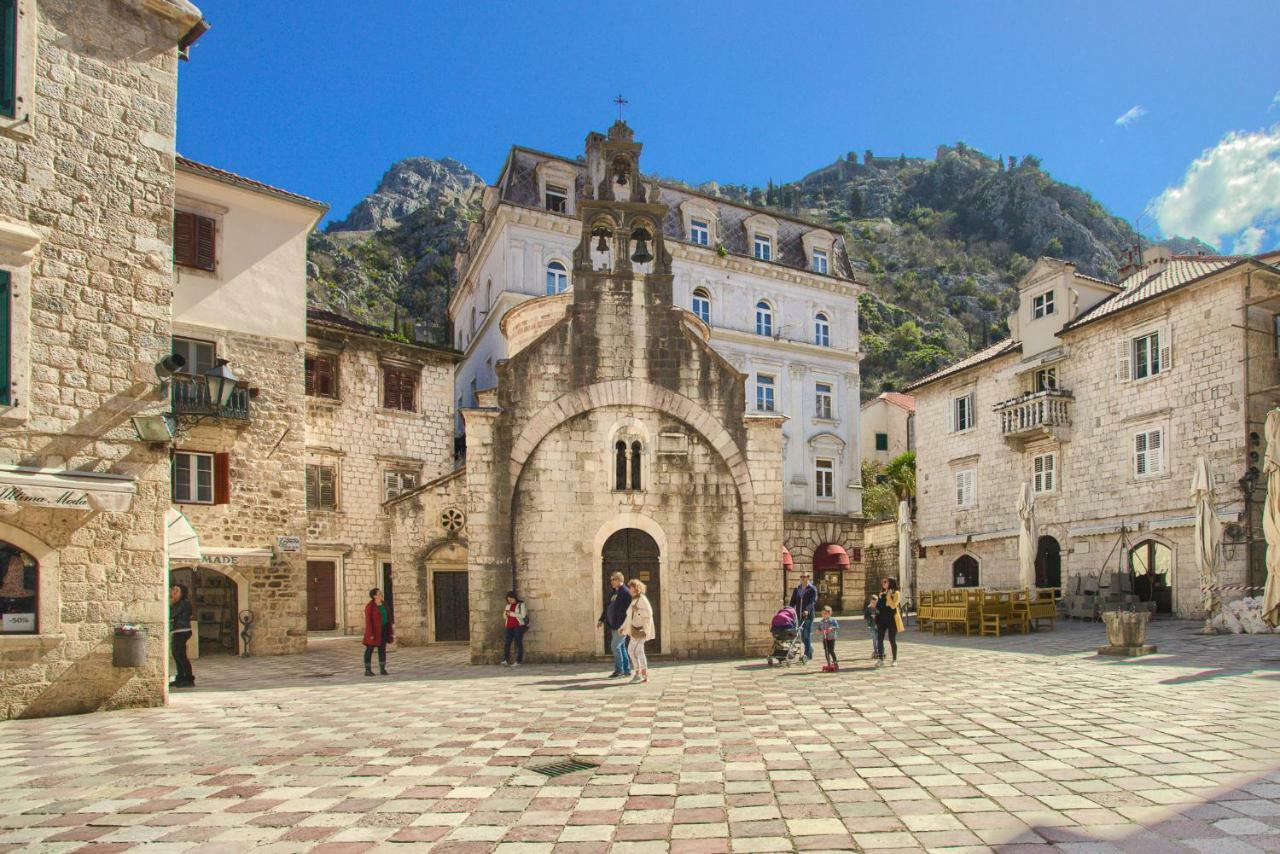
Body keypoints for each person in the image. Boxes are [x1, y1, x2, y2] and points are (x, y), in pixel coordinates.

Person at [597, 571, 632, 678]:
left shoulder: (626, 592)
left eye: (613, 579)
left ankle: (619, 670)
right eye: (611, 580)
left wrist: (625, 625)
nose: (611, 581)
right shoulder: (614, 592)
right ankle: (626, 670)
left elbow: (629, 611)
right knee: (621, 647)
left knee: (614, 646)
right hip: (614, 625)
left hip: (621, 626)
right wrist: (601, 619)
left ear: (620, 580)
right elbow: (608, 607)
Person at [621, 578, 655, 684]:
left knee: (636, 651)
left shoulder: (642, 599)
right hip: (634, 629)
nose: (629, 589)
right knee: (633, 651)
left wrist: (638, 611)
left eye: (631, 587)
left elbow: (649, 614)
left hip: (640, 630)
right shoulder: (635, 599)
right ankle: (640, 674)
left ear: (636, 588)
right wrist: (623, 627)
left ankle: (639, 674)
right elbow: (629, 616)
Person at [363, 588, 393, 676]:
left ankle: (382, 669)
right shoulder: (370, 606)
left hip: (383, 629)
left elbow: (388, 617)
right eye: (379, 593)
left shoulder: (384, 604)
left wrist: (390, 630)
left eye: (381, 593)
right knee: (369, 650)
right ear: (374, 596)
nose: (381, 594)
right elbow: (368, 621)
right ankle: (367, 670)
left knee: (382, 649)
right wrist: (370, 634)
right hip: (373, 631)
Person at [169, 583, 194, 688]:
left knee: (181, 656)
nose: (174, 592)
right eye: (173, 590)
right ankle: (180, 677)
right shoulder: (177, 603)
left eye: (177, 590)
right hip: (177, 631)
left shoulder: (184, 603)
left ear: (182, 593)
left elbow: (172, 614)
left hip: (182, 631)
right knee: (176, 655)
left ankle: (188, 679)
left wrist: (171, 602)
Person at [789, 571, 818, 661]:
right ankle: (810, 650)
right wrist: (789, 610)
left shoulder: (812, 589)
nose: (802, 578)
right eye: (801, 577)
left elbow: (813, 601)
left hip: (808, 616)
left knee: (806, 635)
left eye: (804, 577)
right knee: (802, 636)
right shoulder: (797, 589)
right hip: (799, 616)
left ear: (808, 577)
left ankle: (807, 655)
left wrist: (807, 610)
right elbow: (792, 602)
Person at [875, 577, 904, 667]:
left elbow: (893, 606)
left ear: (890, 583)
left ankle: (894, 659)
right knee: (879, 639)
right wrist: (880, 598)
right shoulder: (881, 593)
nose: (883, 584)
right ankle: (880, 659)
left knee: (892, 639)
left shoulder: (896, 593)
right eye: (882, 582)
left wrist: (888, 596)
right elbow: (878, 607)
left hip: (892, 619)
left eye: (885, 582)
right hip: (882, 619)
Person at [502, 591, 528, 667]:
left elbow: (523, 615)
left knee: (518, 643)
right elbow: (505, 617)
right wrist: (505, 614)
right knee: (507, 643)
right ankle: (505, 660)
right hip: (509, 626)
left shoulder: (521, 604)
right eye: (508, 600)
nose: (510, 601)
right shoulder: (507, 605)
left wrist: (511, 613)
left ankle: (518, 661)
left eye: (511, 599)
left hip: (518, 626)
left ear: (515, 598)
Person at [817, 606, 840, 672]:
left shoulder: (832, 620)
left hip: (832, 637)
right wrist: (818, 630)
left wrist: (832, 628)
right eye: (822, 614)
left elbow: (837, 626)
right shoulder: (821, 621)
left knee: (831, 650)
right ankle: (828, 662)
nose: (823, 615)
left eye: (825, 614)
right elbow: (819, 628)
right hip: (825, 638)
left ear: (829, 614)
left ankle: (835, 662)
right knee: (826, 650)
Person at [865, 594, 882, 660]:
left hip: (879, 625)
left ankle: (880, 651)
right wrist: (870, 616)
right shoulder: (868, 607)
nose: (874, 604)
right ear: (871, 601)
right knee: (874, 639)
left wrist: (877, 615)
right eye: (873, 602)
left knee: (879, 639)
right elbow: (865, 616)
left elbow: (881, 614)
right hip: (872, 625)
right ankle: (875, 651)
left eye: (876, 602)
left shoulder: (879, 606)